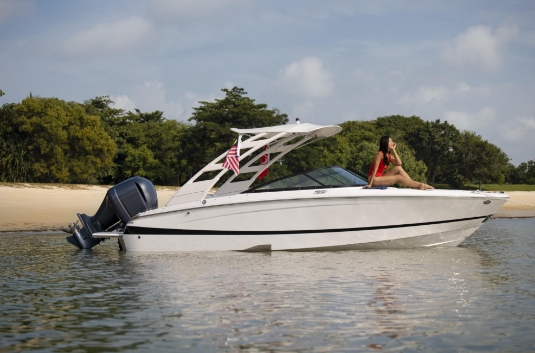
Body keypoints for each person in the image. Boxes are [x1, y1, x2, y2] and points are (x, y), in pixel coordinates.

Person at [363, 136, 434, 190]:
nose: (392, 142)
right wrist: (370, 184)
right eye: (390, 141)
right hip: (374, 179)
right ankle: (419, 185)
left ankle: (414, 185)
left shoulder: (388, 156)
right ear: (385, 143)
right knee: (398, 177)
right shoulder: (379, 154)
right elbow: (374, 170)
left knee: (398, 168)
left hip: (380, 177)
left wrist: (394, 150)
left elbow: (399, 163)